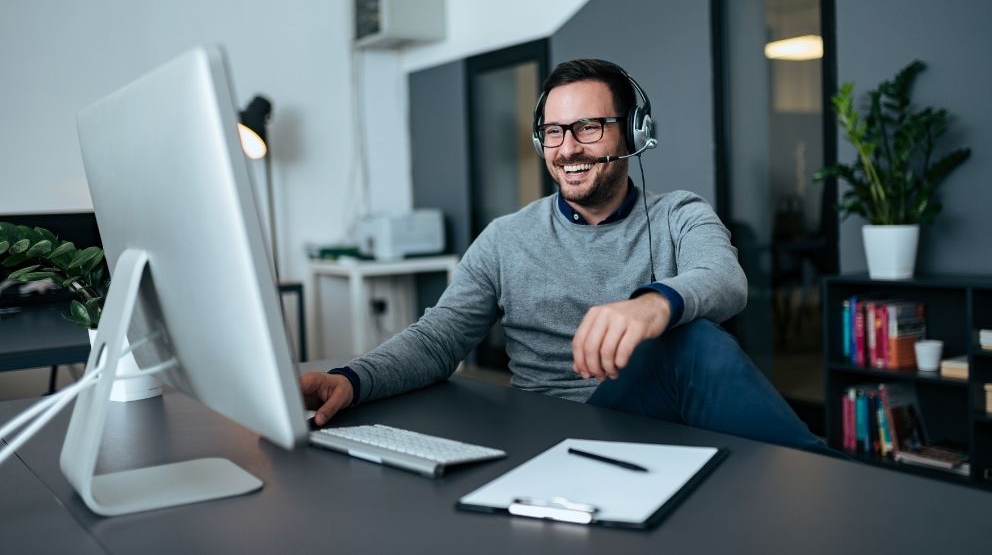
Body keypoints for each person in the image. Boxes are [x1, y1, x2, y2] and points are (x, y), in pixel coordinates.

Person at [302, 58, 828, 454]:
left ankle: (826, 480)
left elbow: (725, 279)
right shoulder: (506, 237)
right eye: (553, 131)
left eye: (588, 127)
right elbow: (438, 339)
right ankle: (831, 477)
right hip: (550, 431)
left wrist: (653, 305)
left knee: (690, 341)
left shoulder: (678, 214)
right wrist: (351, 379)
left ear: (635, 132)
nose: (568, 147)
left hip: (654, 422)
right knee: (689, 342)